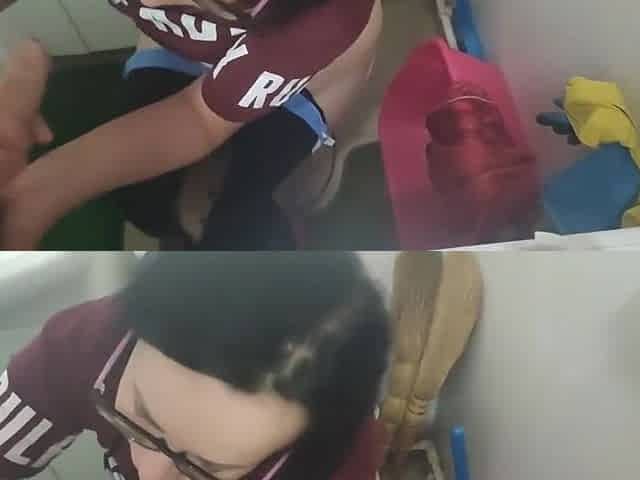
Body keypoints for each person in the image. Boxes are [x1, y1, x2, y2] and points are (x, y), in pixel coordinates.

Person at [0, 0, 382, 249]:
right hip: (188, 39)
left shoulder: (330, 14)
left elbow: (200, 117)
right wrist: (37, 193)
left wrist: (39, 194)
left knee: (241, 221)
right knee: (145, 203)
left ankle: (326, 151)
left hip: (307, 74)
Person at [0, 252, 391, 480]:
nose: (148, 474)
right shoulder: (86, 342)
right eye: (138, 424)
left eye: (207, 469)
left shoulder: (339, 464)